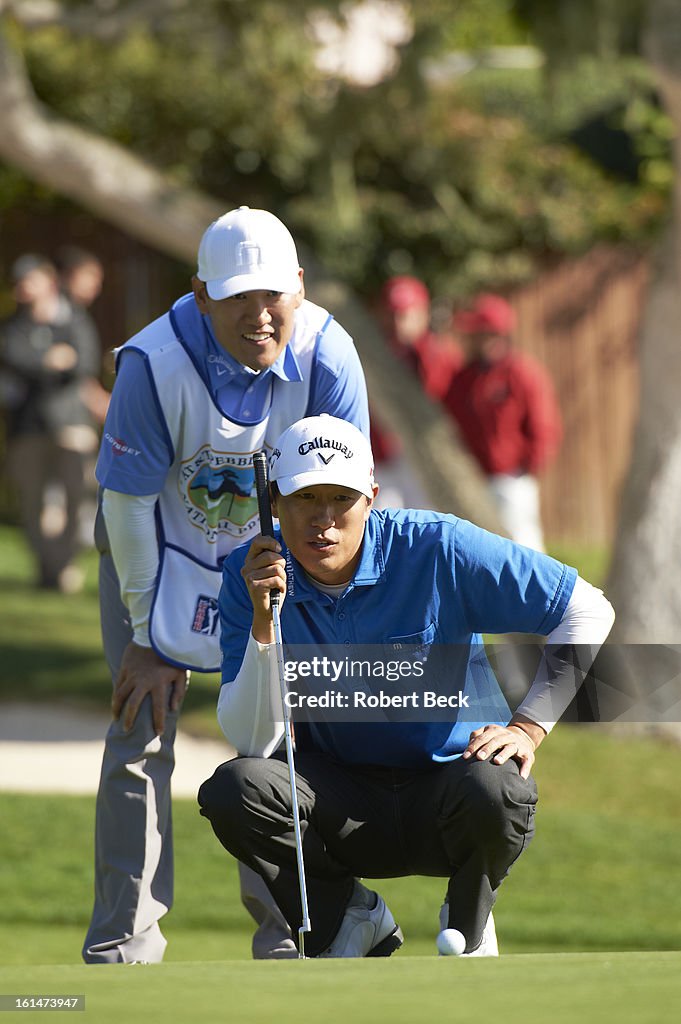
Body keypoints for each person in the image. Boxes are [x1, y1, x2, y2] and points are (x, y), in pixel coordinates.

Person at [198, 414, 615, 958]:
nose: (323, 521)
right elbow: (252, 741)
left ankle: (468, 920)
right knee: (238, 788)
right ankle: (347, 919)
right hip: (337, 802)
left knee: (501, 790)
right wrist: (263, 621)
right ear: (274, 502)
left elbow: (588, 610)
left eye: (341, 500)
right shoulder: (248, 575)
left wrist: (529, 727)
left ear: (371, 496)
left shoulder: (438, 546)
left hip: (449, 793)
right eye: (305, 499)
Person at [82, 207, 370, 965]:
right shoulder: (153, 362)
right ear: (200, 293)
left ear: (300, 289)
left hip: (275, 554)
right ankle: (123, 946)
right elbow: (126, 509)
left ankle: (292, 937)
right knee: (141, 729)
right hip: (154, 543)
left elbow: (344, 499)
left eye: (273, 292)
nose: (258, 312)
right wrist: (149, 638)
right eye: (238, 295)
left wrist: (305, 603)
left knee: (276, 735)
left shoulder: (330, 356)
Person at [0, 254, 103, 592]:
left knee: (77, 498)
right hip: (28, 428)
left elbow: (84, 362)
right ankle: (49, 569)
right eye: (19, 282)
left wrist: (51, 364)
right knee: (34, 502)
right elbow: (17, 361)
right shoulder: (14, 327)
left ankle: (61, 565)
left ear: (49, 282)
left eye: (30, 280)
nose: (23, 288)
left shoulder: (74, 320)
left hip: (71, 425)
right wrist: (53, 361)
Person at [443, 293, 562, 551]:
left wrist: (523, 467)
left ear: (495, 334)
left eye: (477, 333)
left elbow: (544, 428)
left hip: (510, 479)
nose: (471, 339)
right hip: (472, 479)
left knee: (522, 545)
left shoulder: (521, 374)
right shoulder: (464, 378)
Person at [370, 275, 462, 508]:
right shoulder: (372, 353)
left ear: (422, 314)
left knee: (425, 522)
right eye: (391, 313)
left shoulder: (439, 355)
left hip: (425, 458)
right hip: (383, 455)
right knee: (383, 519)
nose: (397, 322)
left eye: (404, 314)